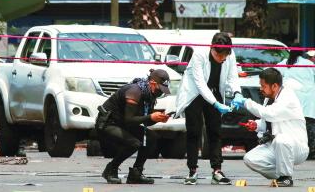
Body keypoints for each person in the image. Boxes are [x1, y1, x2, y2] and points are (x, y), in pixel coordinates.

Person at [175, 32, 241, 185]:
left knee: (215, 131)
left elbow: (232, 77)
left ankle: (217, 171)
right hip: (195, 93)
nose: (223, 59)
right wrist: (215, 104)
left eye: (225, 56)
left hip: (215, 91)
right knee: (194, 131)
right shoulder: (199, 54)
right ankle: (192, 170)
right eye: (220, 57)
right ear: (212, 49)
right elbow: (200, 84)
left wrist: (237, 93)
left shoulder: (230, 55)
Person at [232, 68, 309, 187]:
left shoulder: (288, 97)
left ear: (274, 86)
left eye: (263, 86)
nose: (261, 89)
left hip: (296, 147)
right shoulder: (269, 99)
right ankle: (281, 176)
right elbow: (268, 122)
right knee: (250, 159)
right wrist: (256, 125)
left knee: (281, 139)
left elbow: (270, 114)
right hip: (276, 145)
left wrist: (246, 102)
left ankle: (286, 177)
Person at [96, 69, 171, 184]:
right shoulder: (134, 91)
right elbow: (129, 120)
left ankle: (136, 173)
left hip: (123, 124)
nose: (160, 93)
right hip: (108, 124)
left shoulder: (149, 94)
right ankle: (111, 169)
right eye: (160, 89)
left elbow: (145, 121)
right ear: (152, 83)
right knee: (134, 143)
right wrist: (151, 117)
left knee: (151, 138)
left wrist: (158, 119)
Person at [277, 45, 315, 160]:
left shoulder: (285, 63)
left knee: (294, 128)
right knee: (310, 127)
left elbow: (272, 72)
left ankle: (296, 151)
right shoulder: (308, 64)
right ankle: (312, 151)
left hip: (292, 100)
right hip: (309, 100)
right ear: (302, 52)